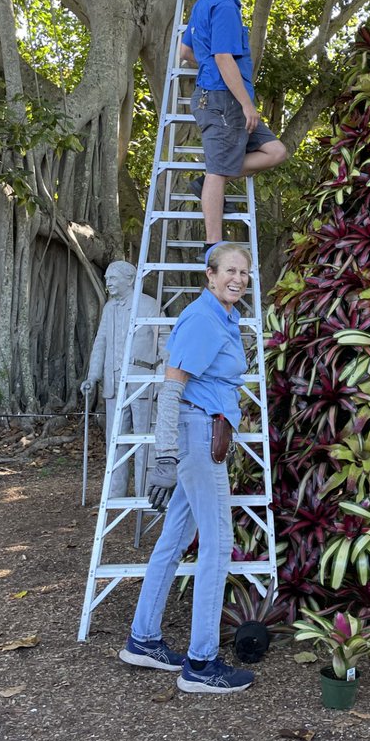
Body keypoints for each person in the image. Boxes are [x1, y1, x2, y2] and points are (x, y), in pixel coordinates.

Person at [118, 242, 255, 694]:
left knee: (175, 538)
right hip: (197, 436)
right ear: (210, 275)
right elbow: (173, 387)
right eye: (230, 271)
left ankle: (143, 639)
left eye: (244, 272)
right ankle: (201, 663)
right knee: (219, 544)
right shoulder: (203, 318)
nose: (238, 278)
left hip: (205, 432)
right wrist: (164, 456)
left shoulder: (224, 316)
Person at [179, 0, 287, 247]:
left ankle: (208, 180)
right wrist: (247, 105)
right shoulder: (224, 5)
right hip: (223, 101)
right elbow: (224, 58)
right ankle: (213, 247)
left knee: (276, 151)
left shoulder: (203, 4)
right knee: (217, 171)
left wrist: (212, 60)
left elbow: (186, 51)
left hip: (219, 98)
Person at [81, 262, 166, 499]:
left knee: (144, 439)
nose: (108, 283)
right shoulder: (109, 308)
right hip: (114, 383)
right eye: (107, 279)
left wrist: (162, 380)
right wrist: (93, 376)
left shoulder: (149, 305)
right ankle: (115, 493)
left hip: (143, 383)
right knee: (115, 440)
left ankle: (146, 492)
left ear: (129, 279)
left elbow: (164, 344)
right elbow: (101, 343)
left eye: (112, 279)